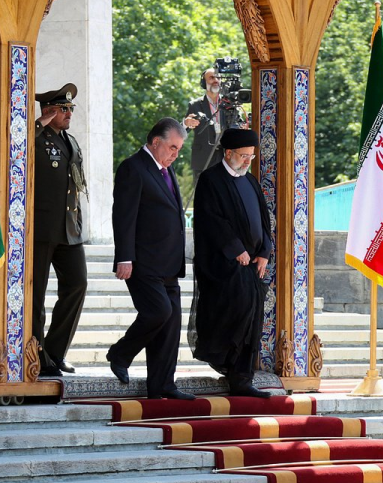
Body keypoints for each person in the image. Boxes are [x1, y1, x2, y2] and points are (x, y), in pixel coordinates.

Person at [107, 117, 195, 400]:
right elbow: (123, 216)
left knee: (170, 326)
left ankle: (162, 384)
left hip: (169, 262)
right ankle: (120, 354)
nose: (176, 154)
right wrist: (124, 257)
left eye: (179, 149)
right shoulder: (133, 168)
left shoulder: (166, 170)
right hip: (142, 261)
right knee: (158, 312)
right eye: (172, 147)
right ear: (156, 142)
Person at [188, 128, 273, 399]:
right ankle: (233, 371)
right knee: (234, 316)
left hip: (252, 265)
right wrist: (236, 249)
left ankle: (242, 377)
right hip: (225, 265)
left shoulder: (250, 181)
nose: (248, 161)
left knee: (251, 318)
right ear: (228, 153)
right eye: (243, 155)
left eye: (251, 156)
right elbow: (211, 220)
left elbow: (264, 219)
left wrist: (264, 251)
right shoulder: (211, 180)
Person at [32, 83, 88, 377]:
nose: (69, 114)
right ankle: (35, 354)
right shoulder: (35, 137)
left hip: (68, 229)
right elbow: (14, 148)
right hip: (41, 229)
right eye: (63, 109)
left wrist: (78, 224)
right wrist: (38, 124)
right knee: (36, 296)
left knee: (77, 284)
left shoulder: (71, 141)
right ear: (49, 111)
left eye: (70, 109)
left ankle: (55, 351)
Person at [184, 68, 225, 182]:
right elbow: (183, 131)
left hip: (226, 158)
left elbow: (239, 125)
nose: (216, 80)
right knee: (202, 192)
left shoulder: (229, 104)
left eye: (218, 78)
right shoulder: (195, 105)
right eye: (211, 78)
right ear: (204, 83)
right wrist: (186, 123)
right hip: (202, 159)